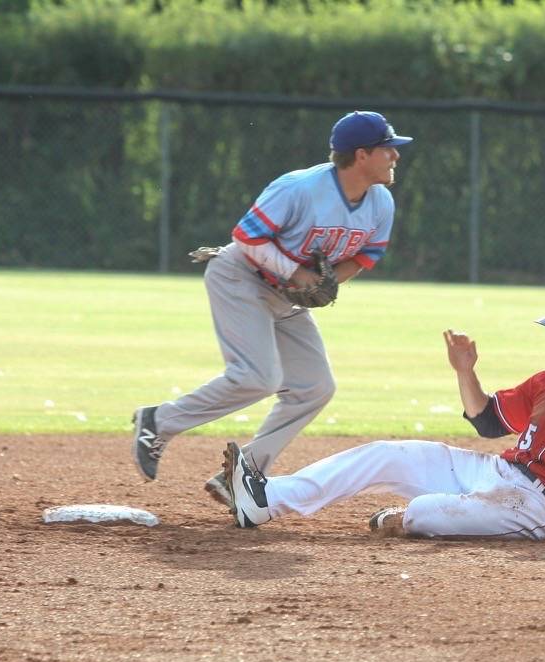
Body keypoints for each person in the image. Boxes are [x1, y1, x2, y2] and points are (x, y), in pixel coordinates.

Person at [220, 287, 545, 540]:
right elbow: (487, 421)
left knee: (426, 511)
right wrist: (466, 372)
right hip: (497, 472)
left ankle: (412, 519)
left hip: (535, 506)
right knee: (386, 454)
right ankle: (265, 500)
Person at [132, 110, 413, 502]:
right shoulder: (299, 187)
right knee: (257, 376)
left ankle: (242, 473)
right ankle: (158, 421)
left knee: (315, 387)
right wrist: (298, 276)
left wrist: (326, 284)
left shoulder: (380, 202)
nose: (396, 157)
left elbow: (364, 257)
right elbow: (247, 237)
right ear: (362, 155)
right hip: (241, 278)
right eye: (389, 150)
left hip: (286, 297)